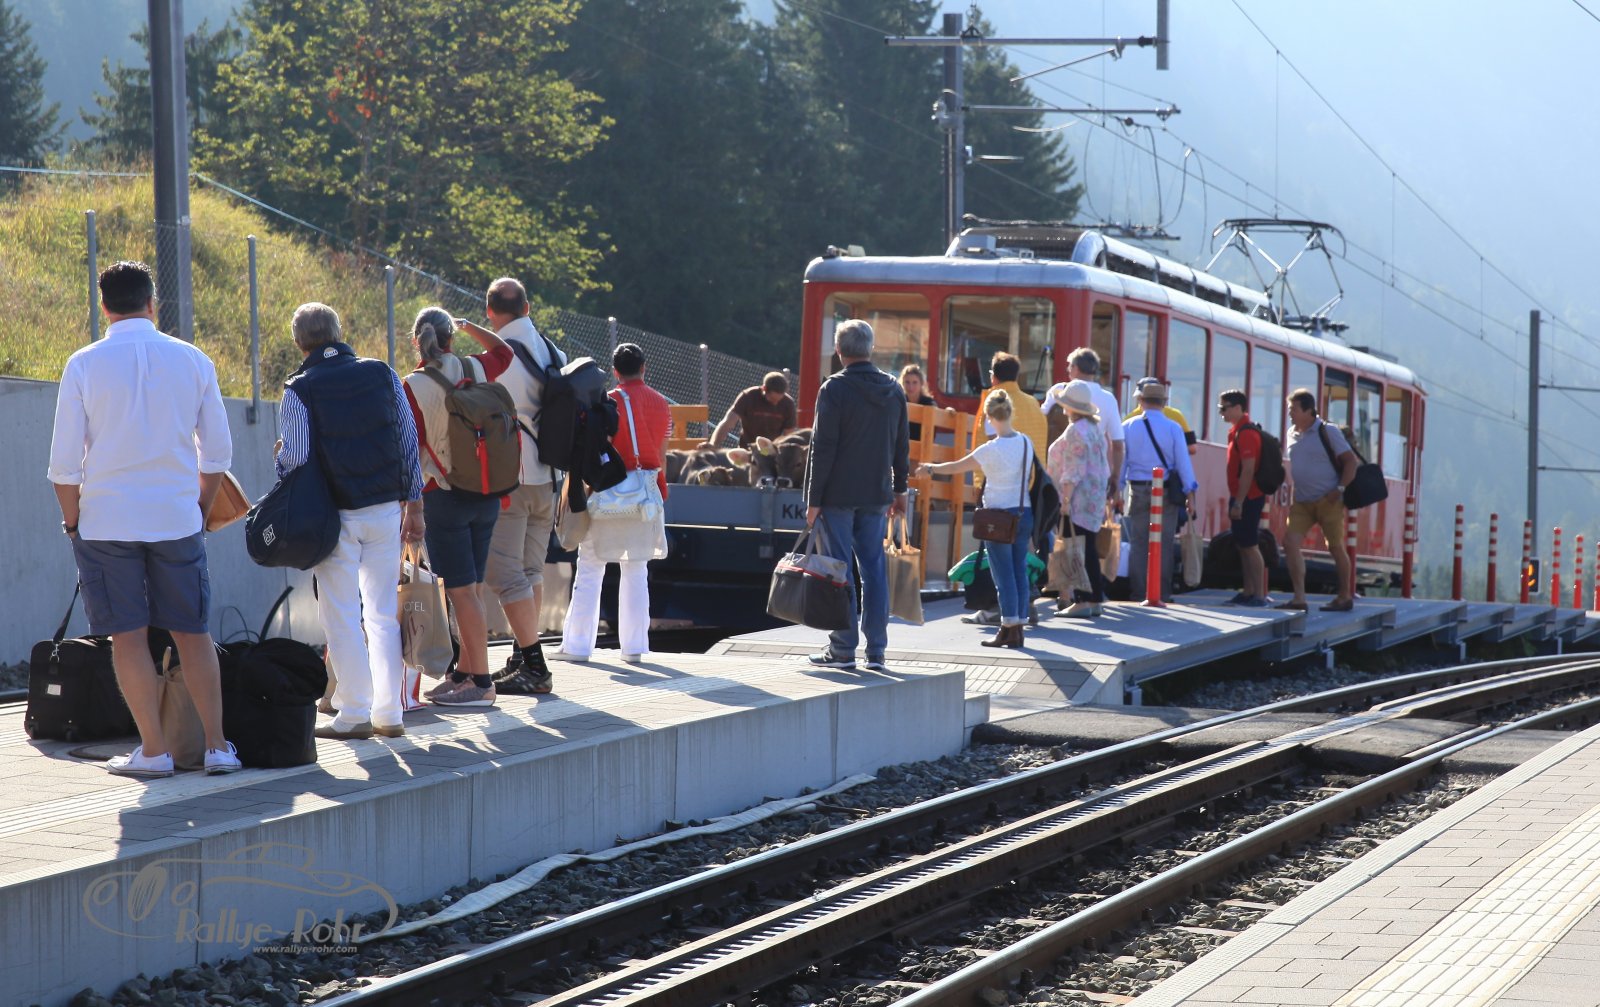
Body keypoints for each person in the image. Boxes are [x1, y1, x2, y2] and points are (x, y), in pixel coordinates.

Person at [46, 260, 241, 777]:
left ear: (104, 306)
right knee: (192, 633)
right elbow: (217, 454)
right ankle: (217, 747)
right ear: (154, 303)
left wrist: (73, 524)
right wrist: (199, 510)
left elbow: (64, 465)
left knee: (128, 637)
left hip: (106, 522)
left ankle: (153, 752)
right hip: (177, 518)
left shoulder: (83, 364)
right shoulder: (193, 359)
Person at [276, 303, 424, 739]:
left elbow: (296, 458)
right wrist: (414, 504)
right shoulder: (382, 374)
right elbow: (408, 438)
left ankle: (355, 711)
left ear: (299, 342)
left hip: (333, 515)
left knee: (341, 614)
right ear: (339, 333)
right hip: (385, 510)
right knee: (382, 614)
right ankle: (390, 714)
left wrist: (279, 458)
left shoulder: (299, 388)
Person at [403, 307, 514, 707]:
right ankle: (465, 672)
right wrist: (472, 327)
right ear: (452, 338)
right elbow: (505, 352)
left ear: (416, 342)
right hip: (486, 492)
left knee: (461, 591)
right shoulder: (477, 367)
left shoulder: (413, 385)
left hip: (444, 494)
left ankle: (481, 683)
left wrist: (411, 506)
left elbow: (412, 451)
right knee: (471, 588)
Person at [804, 320, 910, 672]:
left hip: (837, 494)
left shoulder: (833, 389)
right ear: (870, 349)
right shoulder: (893, 389)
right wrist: (900, 489)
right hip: (877, 494)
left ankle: (842, 649)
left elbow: (823, 448)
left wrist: (813, 499)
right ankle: (876, 651)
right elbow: (901, 445)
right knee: (874, 570)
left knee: (839, 569)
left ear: (839, 351)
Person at [559, 343, 673, 662]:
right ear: (644, 368)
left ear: (615, 371)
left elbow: (598, 448)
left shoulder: (609, 401)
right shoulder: (661, 403)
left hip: (609, 490)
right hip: (646, 492)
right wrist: (659, 490)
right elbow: (661, 454)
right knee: (636, 568)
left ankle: (577, 646)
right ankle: (634, 648)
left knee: (591, 565)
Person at [482, 278, 566, 694]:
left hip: (512, 477)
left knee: (503, 573)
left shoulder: (497, 360)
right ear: (528, 308)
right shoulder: (552, 351)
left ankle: (534, 664)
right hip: (549, 478)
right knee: (531, 571)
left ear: (489, 313)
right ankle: (520, 658)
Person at [920, 390, 1034, 647]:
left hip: (998, 518)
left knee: (1003, 574)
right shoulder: (1026, 442)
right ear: (1010, 413)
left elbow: (957, 467)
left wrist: (930, 468)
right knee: (1019, 570)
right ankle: (1018, 627)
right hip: (1023, 512)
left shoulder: (990, 449)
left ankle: (1008, 627)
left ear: (989, 418)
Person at [1279, 388, 1359, 612]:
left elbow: (1350, 462)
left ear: (1308, 411)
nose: (1290, 414)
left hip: (1328, 500)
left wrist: (1339, 489)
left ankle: (1344, 596)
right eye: (1289, 409)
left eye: (1293, 409)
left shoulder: (1328, 431)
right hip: (1302, 502)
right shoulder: (1291, 433)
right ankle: (1299, 598)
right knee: (1290, 543)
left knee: (1335, 547)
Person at [1122, 377, 1198, 604]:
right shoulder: (1173, 428)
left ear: (1141, 401)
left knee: (1138, 542)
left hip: (1137, 489)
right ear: (1163, 402)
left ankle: (1138, 592)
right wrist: (1190, 494)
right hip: (1165, 492)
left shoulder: (1128, 427)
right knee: (1164, 542)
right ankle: (1161, 593)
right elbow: (1183, 464)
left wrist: (1116, 491)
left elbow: (1122, 463)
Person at [1046, 380, 1111, 619]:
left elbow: (1073, 469)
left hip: (1078, 499)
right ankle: (1094, 599)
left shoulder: (1076, 431)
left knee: (1076, 549)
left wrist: (1065, 499)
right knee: (1088, 548)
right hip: (1093, 498)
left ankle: (1083, 601)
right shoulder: (1094, 429)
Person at [1047, 348, 1125, 503]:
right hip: (1094, 478)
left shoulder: (1059, 391)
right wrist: (1115, 477)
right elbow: (1117, 444)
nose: (1068, 370)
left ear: (1075, 368)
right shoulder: (1109, 399)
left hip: (1060, 477)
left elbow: (1043, 420)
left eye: (1069, 366)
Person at [1218, 389, 1270, 608]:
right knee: (1242, 544)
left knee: (1250, 545)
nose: (1221, 413)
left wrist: (1239, 502)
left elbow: (1248, 470)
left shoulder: (1246, 433)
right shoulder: (1237, 431)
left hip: (1248, 497)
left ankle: (1259, 594)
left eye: (1224, 408)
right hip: (1241, 496)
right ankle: (1249, 591)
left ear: (1238, 408)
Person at [969, 352, 1047, 462]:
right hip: (1034, 471)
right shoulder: (1033, 402)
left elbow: (994, 444)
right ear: (1016, 377)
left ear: (993, 377)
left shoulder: (995, 401)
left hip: (1004, 472)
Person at [705, 371, 797, 449]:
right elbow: (728, 423)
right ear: (764, 388)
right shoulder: (748, 397)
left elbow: (789, 434)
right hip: (747, 450)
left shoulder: (788, 403)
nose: (775, 403)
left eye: (779, 400)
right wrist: (713, 445)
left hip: (772, 452)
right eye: (772, 399)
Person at [1122, 377, 1199, 456]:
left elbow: (1121, 448)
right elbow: (1192, 448)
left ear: (1140, 398)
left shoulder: (1128, 420)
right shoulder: (1176, 415)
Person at [899, 363, 943, 442]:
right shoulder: (899, 401)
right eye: (907, 382)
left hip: (923, 446)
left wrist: (949, 411)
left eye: (915, 382)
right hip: (902, 446)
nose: (911, 387)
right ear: (902, 383)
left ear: (921, 384)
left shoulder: (928, 403)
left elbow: (938, 413)